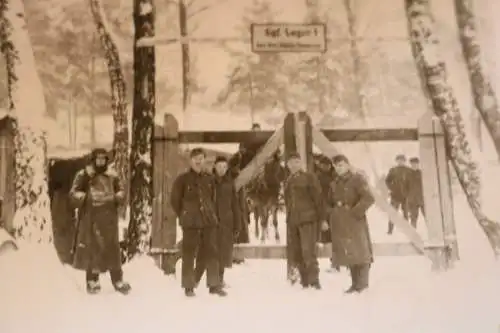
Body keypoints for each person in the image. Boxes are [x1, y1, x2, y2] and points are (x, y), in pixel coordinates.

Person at [69, 148, 131, 295]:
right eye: (98, 159)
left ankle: (117, 280)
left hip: (109, 221)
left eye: (104, 159)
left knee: (112, 251)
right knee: (93, 251)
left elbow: (121, 191)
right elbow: (73, 194)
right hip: (91, 220)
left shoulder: (112, 176)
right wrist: (86, 198)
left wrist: (117, 197)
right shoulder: (84, 175)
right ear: (93, 160)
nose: (101, 161)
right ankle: (92, 281)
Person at [170, 148, 226, 297]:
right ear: (190, 161)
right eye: (195, 158)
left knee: (212, 252)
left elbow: (214, 198)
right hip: (190, 222)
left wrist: (211, 213)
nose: (198, 161)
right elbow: (175, 201)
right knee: (189, 253)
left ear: (205, 160)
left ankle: (214, 285)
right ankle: (189, 286)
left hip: (208, 221)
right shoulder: (182, 180)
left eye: (201, 158)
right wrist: (185, 214)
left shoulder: (209, 179)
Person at [327, 154, 374, 293]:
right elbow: (329, 202)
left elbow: (368, 198)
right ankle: (354, 285)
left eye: (341, 165)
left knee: (361, 251)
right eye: (336, 166)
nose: (338, 168)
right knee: (349, 253)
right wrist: (332, 213)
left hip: (355, 222)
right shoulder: (334, 183)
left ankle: (363, 285)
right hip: (340, 222)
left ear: (347, 165)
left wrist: (355, 212)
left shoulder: (357, 179)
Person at [194, 156, 241, 288]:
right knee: (207, 252)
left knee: (223, 253)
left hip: (226, 223)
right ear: (214, 166)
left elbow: (235, 204)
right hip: (211, 223)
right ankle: (198, 280)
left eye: (225, 167)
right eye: (220, 167)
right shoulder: (209, 181)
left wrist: (237, 224)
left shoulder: (229, 183)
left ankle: (219, 280)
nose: (222, 170)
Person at [284, 152, 326, 289]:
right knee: (298, 252)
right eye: (291, 163)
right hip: (293, 221)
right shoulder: (288, 180)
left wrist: (323, 219)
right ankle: (305, 281)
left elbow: (318, 199)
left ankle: (314, 281)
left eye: (297, 162)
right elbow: (288, 201)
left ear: (301, 163)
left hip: (308, 220)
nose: (294, 165)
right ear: (287, 165)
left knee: (309, 251)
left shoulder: (309, 178)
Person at [385, 154, 412, 235]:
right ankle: (390, 230)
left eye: (402, 160)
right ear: (396, 161)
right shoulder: (393, 170)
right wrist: (392, 188)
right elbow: (387, 181)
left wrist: (409, 191)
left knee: (406, 214)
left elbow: (411, 182)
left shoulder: (408, 171)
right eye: (399, 160)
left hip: (405, 196)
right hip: (395, 195)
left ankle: (407, 230)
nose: (400, 162)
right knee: (392, 213)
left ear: (404, 161)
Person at [407, 157, 425, 228]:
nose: (414, 165)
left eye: (416, 164)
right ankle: (413, 235)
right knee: (413, 219)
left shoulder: (422, 174)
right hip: (412, 201)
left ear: (418, 164)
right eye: (412, 164)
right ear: (411, 165)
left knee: (428, 217)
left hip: (422, 199)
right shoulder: (407, 174)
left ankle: (434, 234)